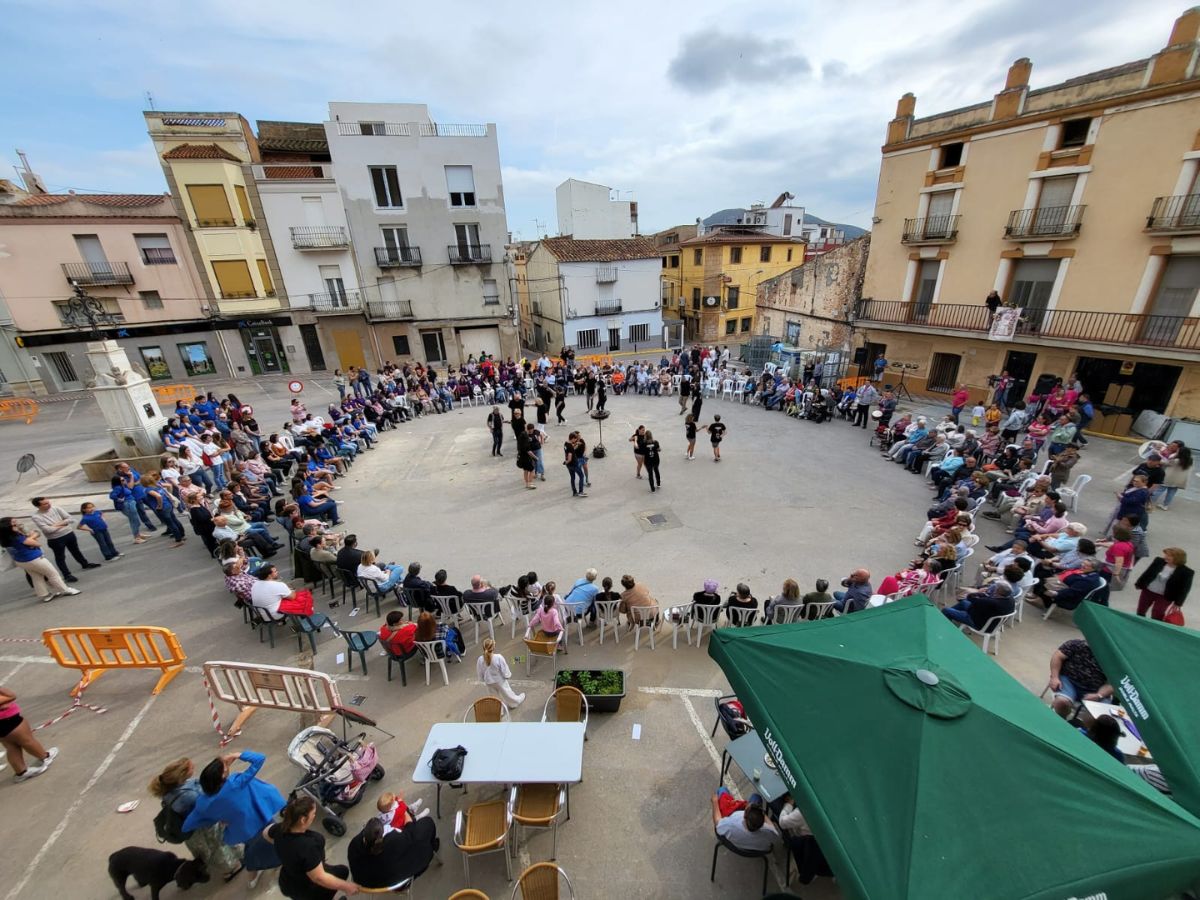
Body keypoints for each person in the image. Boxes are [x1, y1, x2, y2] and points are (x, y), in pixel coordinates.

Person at [183, 750, 286, 878]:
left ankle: (254, 870)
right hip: (261, 819)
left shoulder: (203, 802)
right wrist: (237, 755)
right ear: (221, 776)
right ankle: (282, 861)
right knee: (275, 842)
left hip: (242, 831)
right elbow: (259, 759)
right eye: (225, 766)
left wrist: (217, 819)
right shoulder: (235, 783)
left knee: (253, 848)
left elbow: (188, 824)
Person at [149, 758, 243, 881]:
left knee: (202, 850)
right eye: (191, 768)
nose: (194, 768)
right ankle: (230, 869)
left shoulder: (172, 789)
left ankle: (212, 865)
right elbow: (206, 805)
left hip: (189, 828)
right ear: (183, 774)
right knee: (217, 846)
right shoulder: (188, 796)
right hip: (202, 826)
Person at [271, 794, 359, 898]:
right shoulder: (307, 846)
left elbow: (265, 833)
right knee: (342, 872)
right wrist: (346, 886)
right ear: (303, 819)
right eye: (313, 813)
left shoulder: (280, 829)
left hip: (288, 881)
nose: (314, 816)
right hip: (308, 888)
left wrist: (285, 848)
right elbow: (319, 878)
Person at [347, 815, 438, 889]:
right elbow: (410, 834)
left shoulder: (354, 845)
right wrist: (408, 821)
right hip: (396, 881)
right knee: (427, 822)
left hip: (368, 885)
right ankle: (433, 845)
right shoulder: (395, 840)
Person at [0, 517, 78, 601]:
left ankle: (45, 595)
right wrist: (33, 536)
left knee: (37, 577)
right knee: (53, 574)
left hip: (21, 561)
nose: (17, 523)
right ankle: (65, 590)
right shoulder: (17, 537)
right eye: (14, 523)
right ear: (8, 526)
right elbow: (37, 544)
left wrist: (28, 536)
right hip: (34, 559)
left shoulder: (5, 537)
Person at [30, 496, 98, 581]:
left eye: (48, 502)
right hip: (55, 539)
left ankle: (85, 564)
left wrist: (55, 525)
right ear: (38, 506)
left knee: (76, 551)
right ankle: (67, 575)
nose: (48, 504)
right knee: (60, 557)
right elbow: (47, 530)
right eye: (45, 504)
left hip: (68, 533)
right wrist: (63, 523)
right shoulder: (36, 517)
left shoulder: (56, 508)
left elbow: (70, 519)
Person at [0, 685, 58, 783]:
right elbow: (11, 696)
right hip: (10, 722)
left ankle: (21, 773)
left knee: (11, 747)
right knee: (28, 741)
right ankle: (45, 757)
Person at [1048, 639, 1113, 709]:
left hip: (1096, 690)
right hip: (1069, 681)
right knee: (1061, 702)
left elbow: (1114, 683)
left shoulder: (1113, 658)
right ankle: (1061, 718)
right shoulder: (1076, 644)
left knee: (1101, 715)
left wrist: (1099, 695)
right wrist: (1055, 677)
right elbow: (1057, 657)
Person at [1134, 547, 1193, 621]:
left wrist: (1178, 603)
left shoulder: (1187, 572)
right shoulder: (1158, 561)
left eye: (1169, 556)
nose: (1165, 557)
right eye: (1166, 555)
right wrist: (1139, 583)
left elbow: (1185, 589)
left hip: (1165, 596)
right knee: (1141, 610)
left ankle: (1155, 627)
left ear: (1178, 558)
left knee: (1157, 612)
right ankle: (1139, 623)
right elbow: (1147, 572)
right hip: (1149, 590)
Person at [712, 788, 779, 853]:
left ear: (744, 814)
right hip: (757, 851)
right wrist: (762, 813)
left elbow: (718, 823)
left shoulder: (731, 824)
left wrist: (715, 802)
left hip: (737, 845)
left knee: (722, 789)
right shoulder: (769, 831)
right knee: (756, 797)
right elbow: (774, 833)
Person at [476, 638, 525, 708]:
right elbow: (504, 669)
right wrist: (507, 675)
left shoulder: (480, 659)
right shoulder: (498, 657)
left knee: (494, 697)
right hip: (499, 680)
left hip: (489, 682)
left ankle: (500, 710)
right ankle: (514, 703)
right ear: (493, 647)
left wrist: (481, 679)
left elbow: (479, 671)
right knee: (507, 693)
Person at [1153, 442, 1193, 510]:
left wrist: (1158, 454)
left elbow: (1165, 462)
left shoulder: (1176, 460)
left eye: (1178, 452)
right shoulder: (1190, 461)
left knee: (1159, 490)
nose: (1176, 452)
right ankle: (1165, 505)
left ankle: (1150, 502)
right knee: (1171, 493)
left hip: (1168, 479)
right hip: (1179, 481)